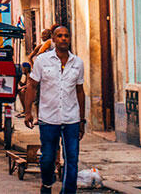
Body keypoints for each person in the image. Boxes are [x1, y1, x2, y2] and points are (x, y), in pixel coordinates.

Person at [24, 25, 86, 194]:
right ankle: (47, 183)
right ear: (53, 39)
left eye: (66, 35)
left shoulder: (77, 63)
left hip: (71, 119)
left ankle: (68, 191)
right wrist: (28, 112)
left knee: (72, 159)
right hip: (48, 119)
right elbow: (32, 86)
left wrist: (82, 120)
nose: (63, 38)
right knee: (47, 158)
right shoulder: (42, 61)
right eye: (59, 36)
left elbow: (80, 91)